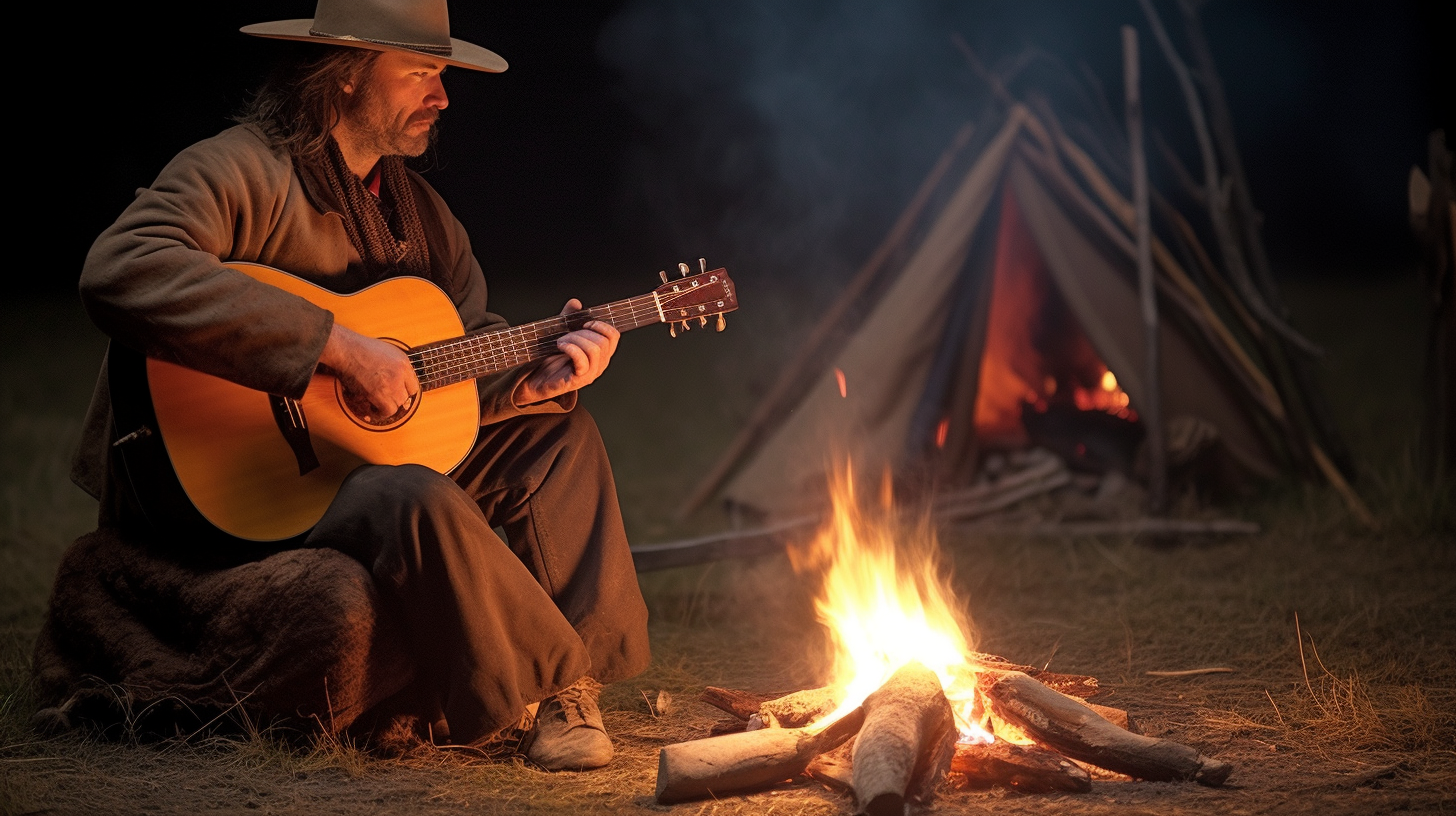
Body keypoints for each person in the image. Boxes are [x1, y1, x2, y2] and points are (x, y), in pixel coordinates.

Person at [70, 0, 650, 770]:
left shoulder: (425, 217)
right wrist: (336, 348)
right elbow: (121, 268)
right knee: (411, 493)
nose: (441, 98)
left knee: (560, 439)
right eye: (420, 75)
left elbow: (442, 381)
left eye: (442, 78)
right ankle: (544, 682)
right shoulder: (243, 168)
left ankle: (578, 692)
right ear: (344, 78)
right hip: (221, 487)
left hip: (351, 467)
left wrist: (527, 384)